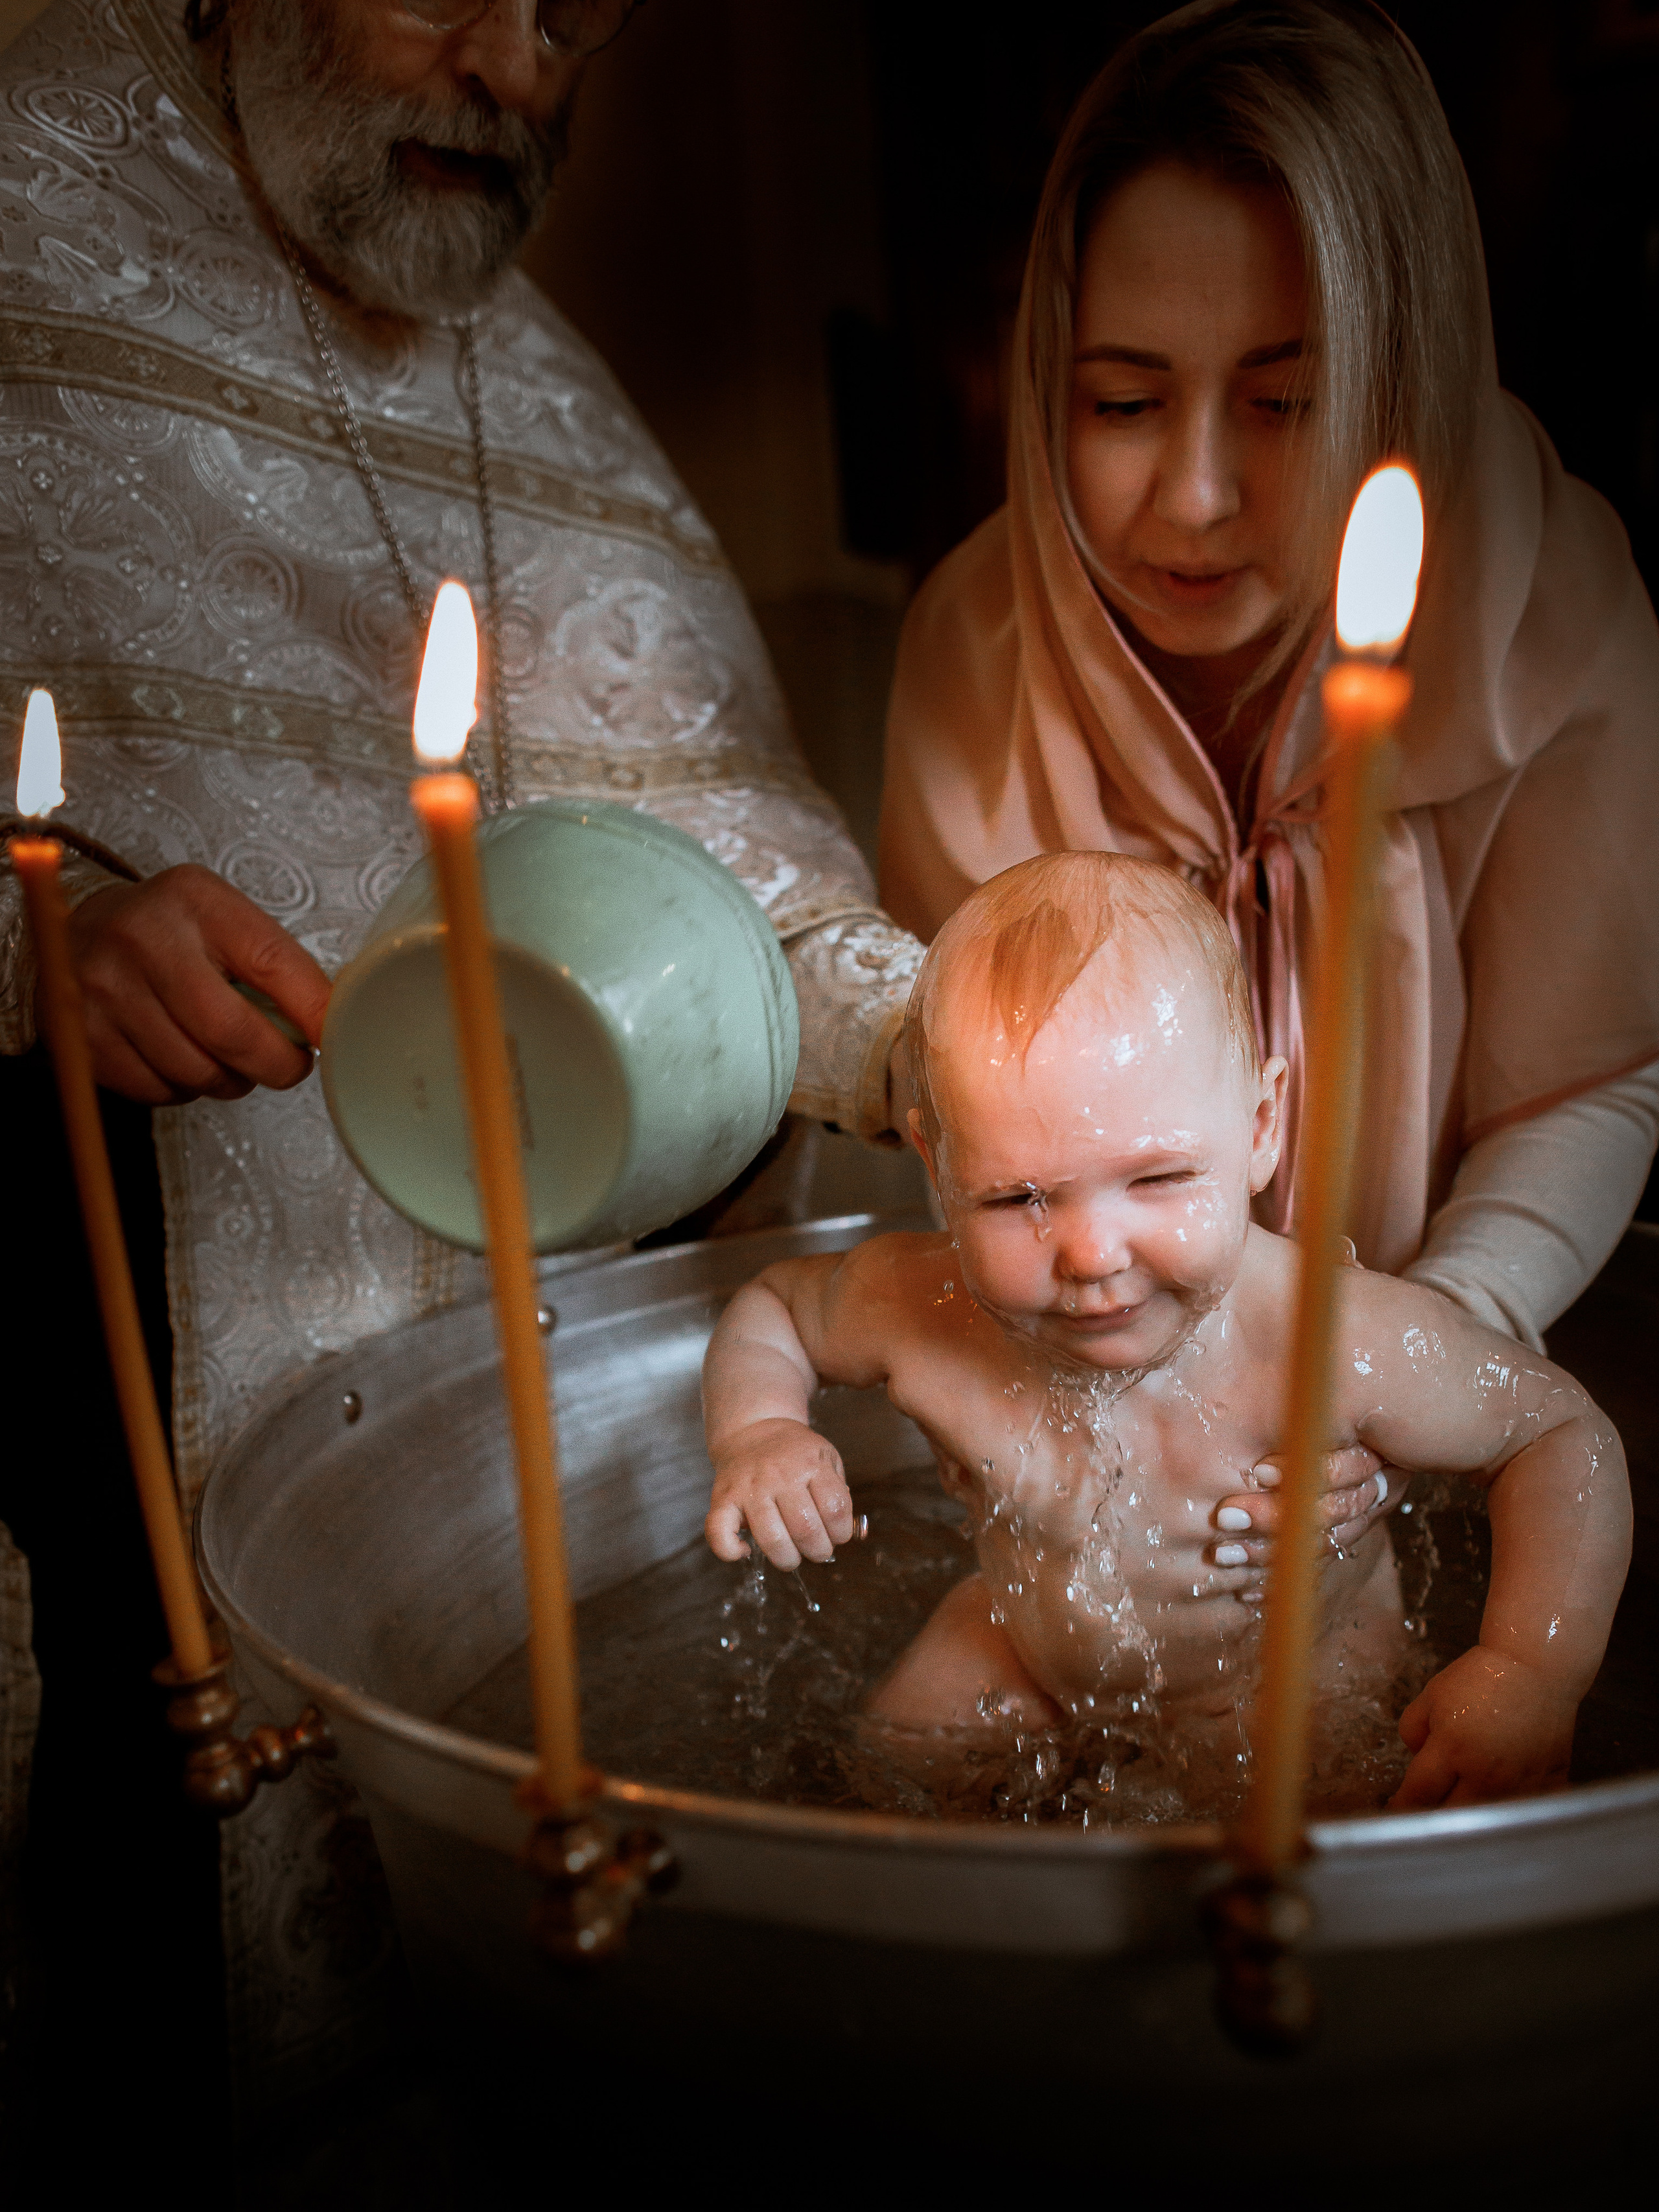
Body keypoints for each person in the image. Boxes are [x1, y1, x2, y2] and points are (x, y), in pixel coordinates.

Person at [0, 0, 933, 2119]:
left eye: (576, 14)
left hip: (503, 1478)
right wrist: (36, 942)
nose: (516, 72)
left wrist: (938, 1038)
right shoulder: (16, 202)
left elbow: (742, 880)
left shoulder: (557, 403)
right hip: (95, 1435)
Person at [879, 0, 1659, 1364]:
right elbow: (961, 1123)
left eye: (1286, 402)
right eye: (1120, 402)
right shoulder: (971, 642)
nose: (1191, 497)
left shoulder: (1552, 612)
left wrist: (1428, 1339)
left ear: (1398, 381)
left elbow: (1584, 1085)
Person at [702, 854, 1632, 1812]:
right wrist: (761, 1430)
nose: (1093, 1254)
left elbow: (1561, 1436)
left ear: (1262, 1128)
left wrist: (1527, 1669)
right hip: (1024, 1647)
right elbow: (774, 1307)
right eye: (1016, 1196)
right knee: (884, 1775)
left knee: (1319, 1824)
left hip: (1284, 1679)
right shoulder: (918, 1307)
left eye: (1157, 1180)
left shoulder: (1335, 1338)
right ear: (940, 1169)